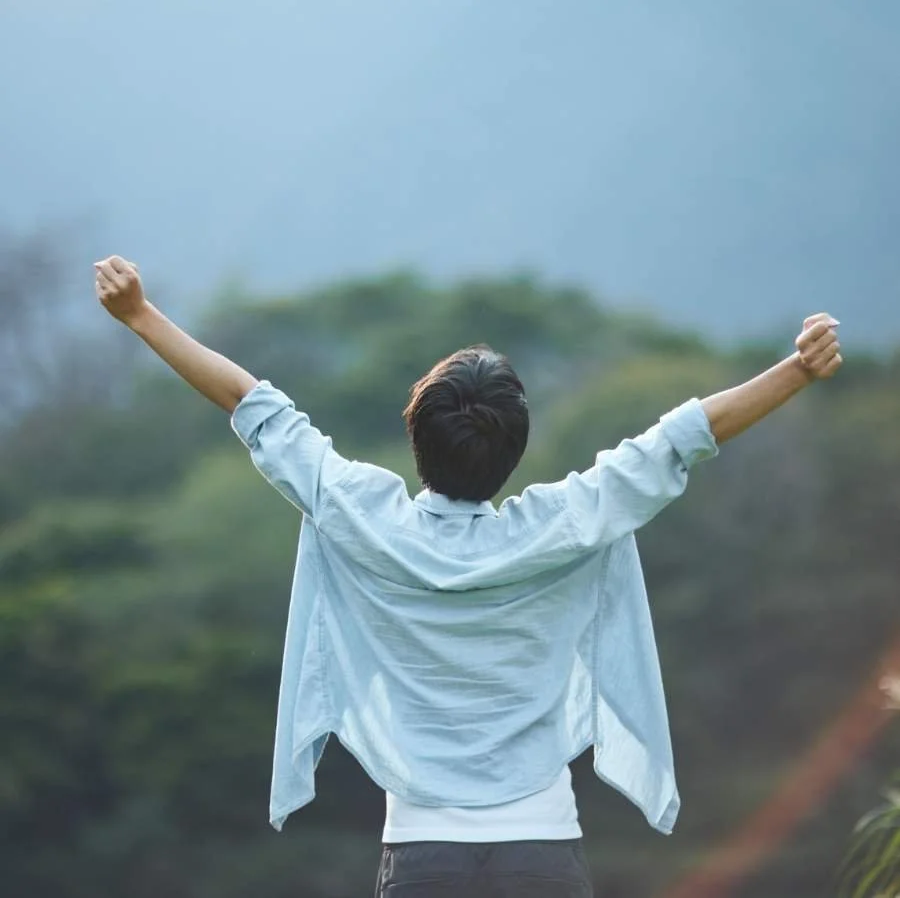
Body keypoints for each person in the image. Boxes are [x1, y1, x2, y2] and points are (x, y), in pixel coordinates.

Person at [94, 256, 842, 898]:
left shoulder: (364, 515)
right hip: (544, 855)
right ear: (513, 447)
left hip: (421, 858)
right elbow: (682, 440)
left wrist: (140, 315)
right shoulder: (564, 523)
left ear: (418, 435)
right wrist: (798, 370)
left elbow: (250, 403)